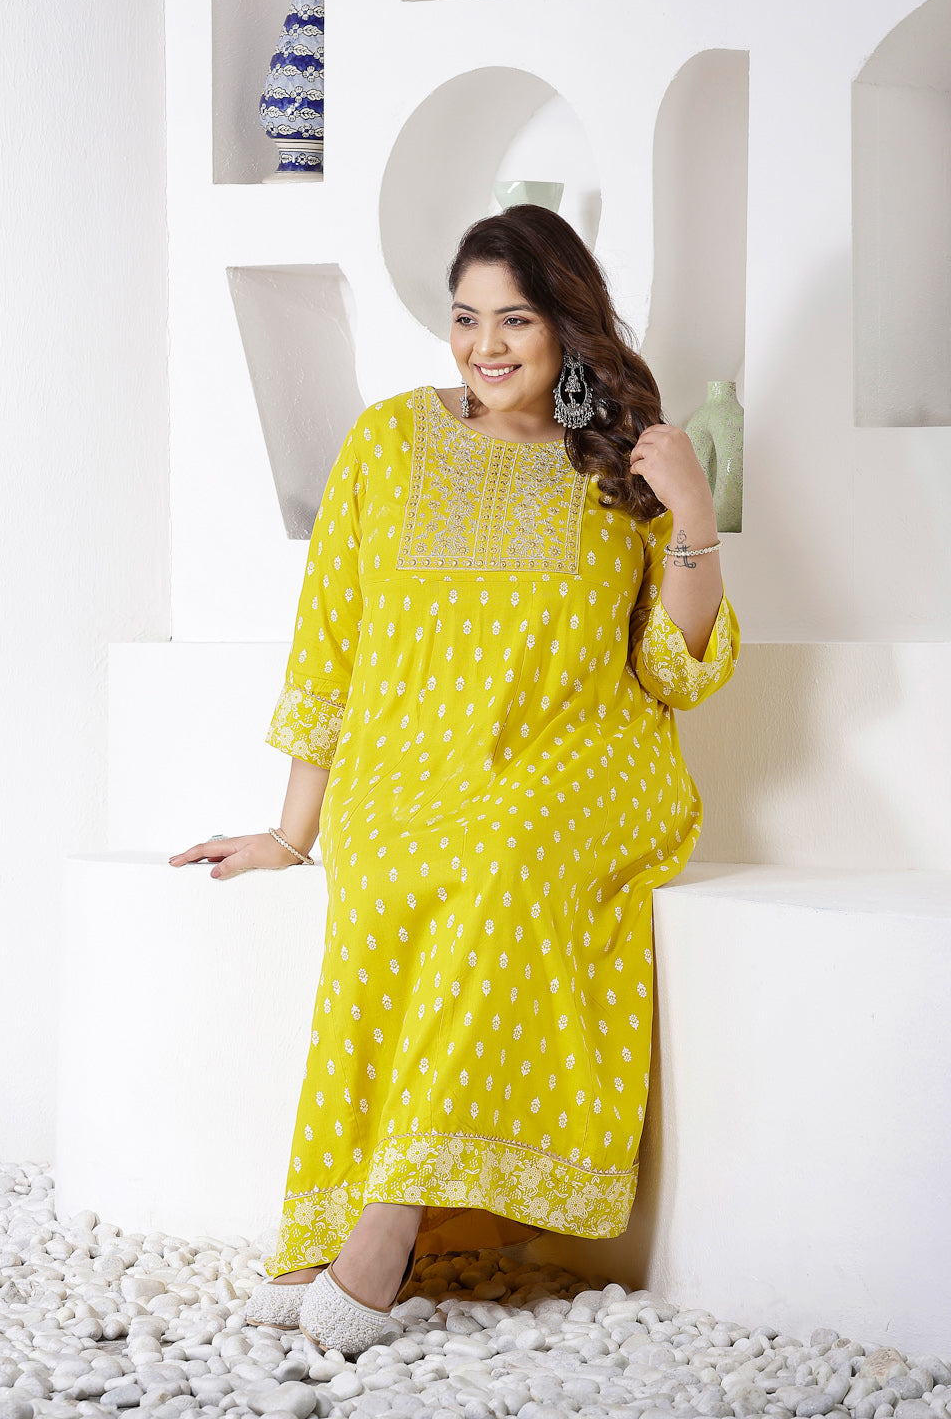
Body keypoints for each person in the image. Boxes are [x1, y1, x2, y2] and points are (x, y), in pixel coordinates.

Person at [169, 204, 740, 1356]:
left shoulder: (619, 459)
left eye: (514, 319)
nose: (485, 345)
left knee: (500, 859)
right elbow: (330, 644)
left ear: (565, 324)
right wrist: (293, 832)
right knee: (383, 885)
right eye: (466, 317)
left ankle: (387, 1228)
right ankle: (333, 1213)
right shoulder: (388, 440)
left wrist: (692, 512)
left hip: (580, 763)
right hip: (406, 768)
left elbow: (676, 668)